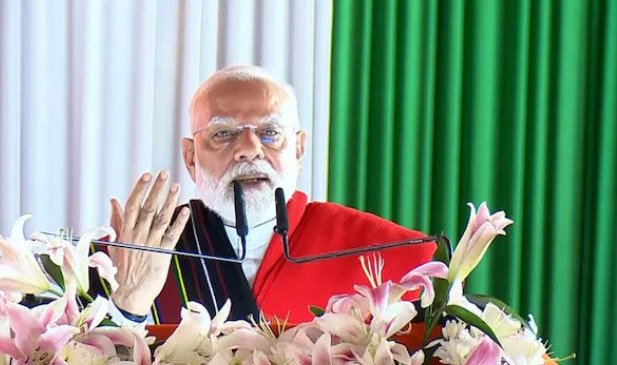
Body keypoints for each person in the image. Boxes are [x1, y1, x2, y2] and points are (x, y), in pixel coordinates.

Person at [104, 66, 435, 324]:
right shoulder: (126, 258)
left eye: (270, 133)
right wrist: (128, 303)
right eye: (223, 133)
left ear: (299, 150)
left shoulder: (395, 257)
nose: (249, 149)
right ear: (191, 158)